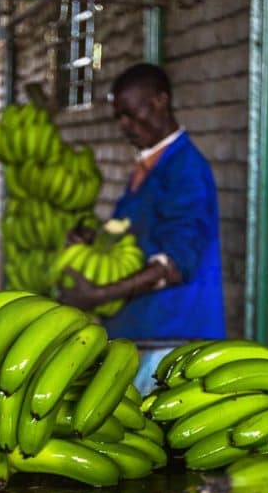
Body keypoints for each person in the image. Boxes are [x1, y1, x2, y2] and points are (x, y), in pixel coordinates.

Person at [58, 63, 225, 340]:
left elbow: (174, 264)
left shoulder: (185, 170)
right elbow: (136, 236)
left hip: (171, 336)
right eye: (118, 117)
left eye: (130, 113)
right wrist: (96, 239)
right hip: (138, 331)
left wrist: (99, 295)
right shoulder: (150, 166)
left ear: (160, 101)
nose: (124, 125)